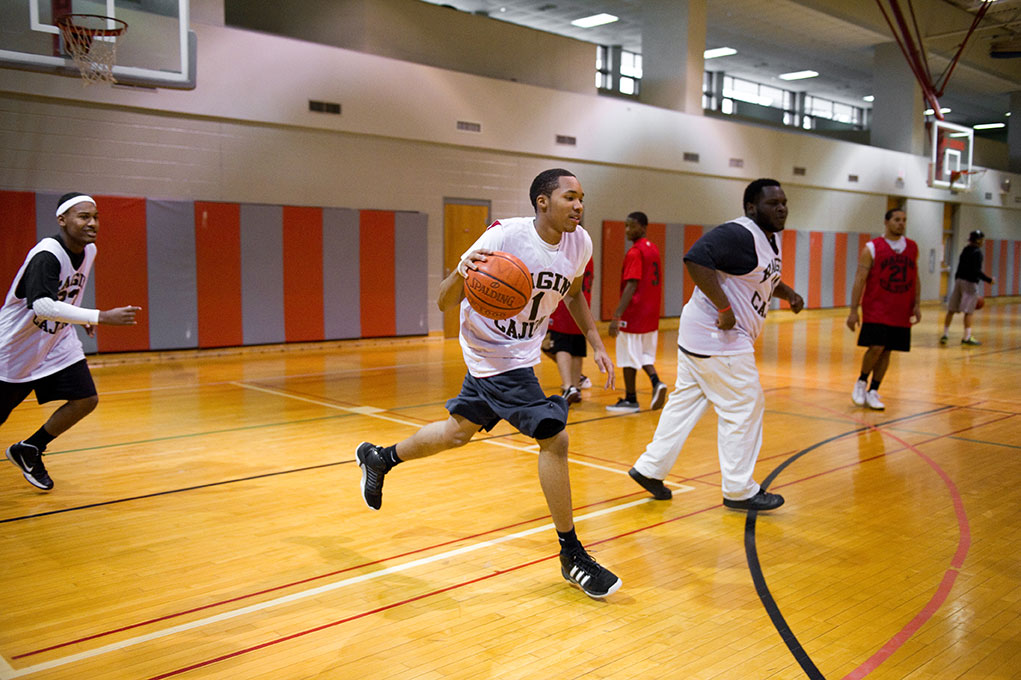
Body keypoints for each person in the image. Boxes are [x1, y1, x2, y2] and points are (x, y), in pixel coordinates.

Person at [356, 169, 622, 599]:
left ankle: (380, 458)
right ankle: (571, 554)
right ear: (542, 202)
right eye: (569, 197)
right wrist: (461, 274)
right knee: (555, 440)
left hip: (520, 355)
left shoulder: (580, 242)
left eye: (582, 198)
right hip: (491, 353)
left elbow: (572, 292)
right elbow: (445, 301)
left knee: (457, 432)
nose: (579, 206)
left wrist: (597, 343)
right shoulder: (502, 238)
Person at [627, 179, 803, 511]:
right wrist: (724, 307)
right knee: (744, 407)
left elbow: (763, 278)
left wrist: (788, 293)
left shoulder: (769, 239)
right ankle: (739, 490)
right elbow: (696, 258)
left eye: (784, 201)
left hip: (699, 337)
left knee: (685, 404)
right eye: (772, 203)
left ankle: (650, 469)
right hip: (719, 338)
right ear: (751, 208)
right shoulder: (740, 233)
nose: (781, 207)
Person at [2, 193, 141, 490]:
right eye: (83, 217)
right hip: (16, 346)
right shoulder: (47, 255)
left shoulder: (89, 250)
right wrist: (100, 316)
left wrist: (83, 318)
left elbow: (67, 292)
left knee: (85, 399)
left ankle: (30, 449)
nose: (92, 223)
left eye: (96, 217)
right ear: (62, 220)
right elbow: (41, 305)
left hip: (56, 341)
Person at [846, 208, 920, 410]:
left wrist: (917, 304)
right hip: (876, 307)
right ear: (886, 222)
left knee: (887, 351)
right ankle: (861, 382)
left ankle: (874, 391)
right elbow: (860, 279)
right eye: (897, 219)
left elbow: (915, 277)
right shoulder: (872, 248)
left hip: (901, 309)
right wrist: (853, 310)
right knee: (876, 347)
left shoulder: (912, 247)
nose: (901, 223)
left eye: (904, 220)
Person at [606, 212, 668, 413]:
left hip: (634, 312)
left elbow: (632, 284)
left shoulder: (635, 252)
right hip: (651, 312)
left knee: (628, 356)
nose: (626, 230)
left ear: (643, 227)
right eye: (625, 226)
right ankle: (655, 383)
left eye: (631, 226)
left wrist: (617, 315)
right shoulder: (653, 249)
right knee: (644, 354)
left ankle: (633, 398)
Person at [541, 258, 594, 405]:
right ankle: (576, 386)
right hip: (583, 306)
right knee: (576, 348)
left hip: (565, 305)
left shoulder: (567, 252)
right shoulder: (586, 252)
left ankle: (567, 386)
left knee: (560, 345)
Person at [941, 230, 995, 346]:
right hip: (970, 283)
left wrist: (957, 280)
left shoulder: (965, 250)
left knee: (951, 310)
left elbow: (959, 266)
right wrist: (989, 280)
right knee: (969, 312)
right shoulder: (977, 253)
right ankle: (967, 337)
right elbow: (976, 271)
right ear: (979, 240)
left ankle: (945, 335)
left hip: (959, 281)